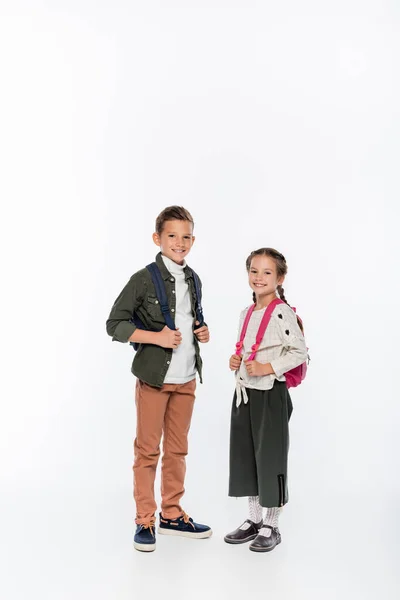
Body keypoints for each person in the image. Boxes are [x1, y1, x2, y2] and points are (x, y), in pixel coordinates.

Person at [106, 206, 212, 552]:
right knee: (148, 451)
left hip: (186, 379)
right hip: (154, 378)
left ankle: (171, 514)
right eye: (171, 236)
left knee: (178, 450)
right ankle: (144, 520)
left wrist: (202, 331)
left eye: (185, 237)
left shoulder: (194, 279)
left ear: (192, 241)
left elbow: (190, 319)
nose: (179, 242)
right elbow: (115, 324)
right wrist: (156, 338)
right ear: (158, 238)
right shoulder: (143, 278)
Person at [224, 247, 308, 553]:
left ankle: (272, 525)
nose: (259, 278)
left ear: (280, 277)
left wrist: (267, 367)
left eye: (267, 272)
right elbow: (248, 349)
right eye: (254, 271)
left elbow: (299, 351)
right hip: (245, 394)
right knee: (248, 457)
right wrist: (237, 360)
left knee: (270, 459)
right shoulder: (246, 313)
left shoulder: (282, 312)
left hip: (270, 395)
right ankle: (254, 520)